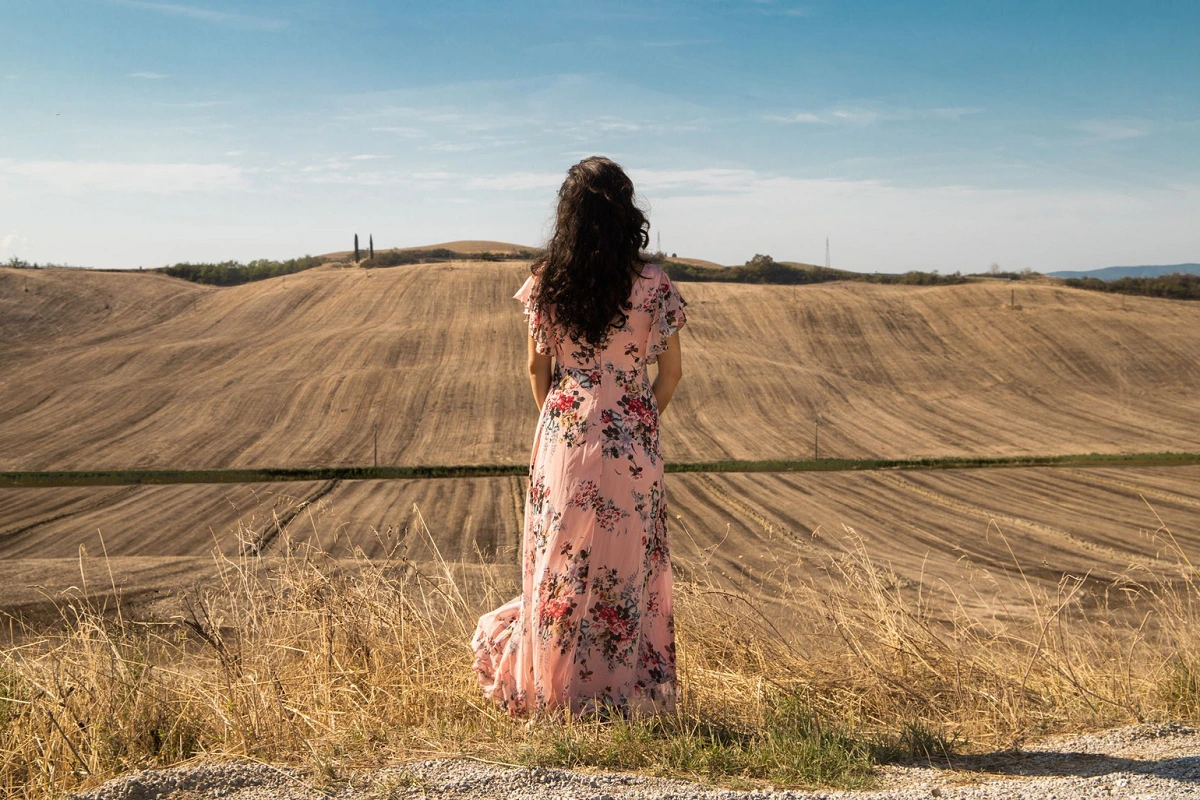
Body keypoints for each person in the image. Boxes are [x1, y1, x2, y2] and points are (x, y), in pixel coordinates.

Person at [470, 156, 687, 718]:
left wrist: (567, 424)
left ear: (569, 215)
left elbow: (535, 374)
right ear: (627, 213)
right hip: (632, 438)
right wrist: (635, 421)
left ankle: (554, 693)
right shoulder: (653, 284)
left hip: (563, 435)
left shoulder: (547, 282)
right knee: (630, 566)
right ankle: (624, 698)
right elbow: (672, 375)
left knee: (558, 562)